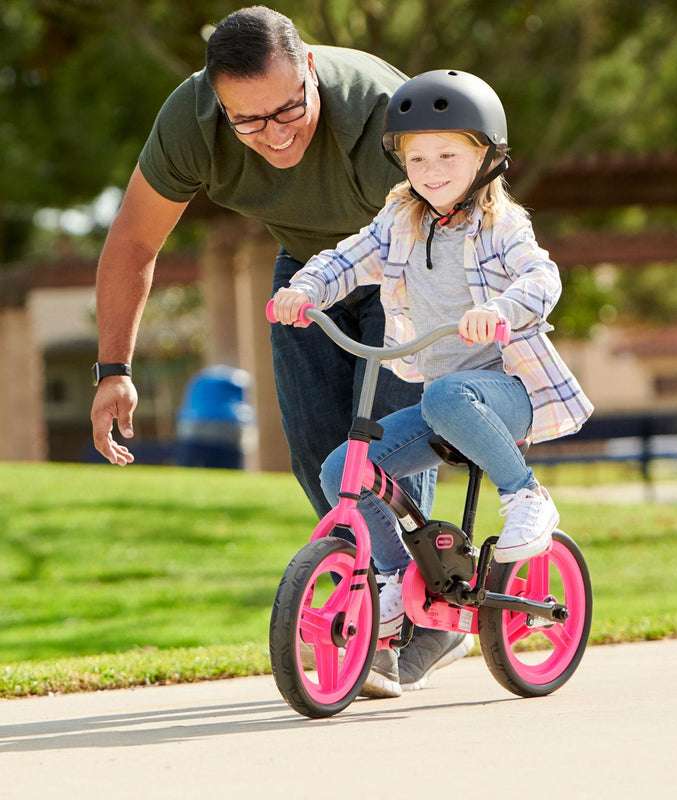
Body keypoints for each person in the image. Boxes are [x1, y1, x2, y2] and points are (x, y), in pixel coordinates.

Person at [88, 6, 450, 697]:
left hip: (415, 267)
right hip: (309, 272)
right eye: (247, 121)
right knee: (322, 463)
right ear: (219, 103)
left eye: (288, 111)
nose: (274, 136)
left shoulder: (382, 114)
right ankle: (383, 597)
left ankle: (413, 618)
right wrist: (114, 371)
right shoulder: (191, 125)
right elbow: (133, 243)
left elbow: (467, 228)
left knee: (385, 449)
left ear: (310, 69)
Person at [272, 69, 594, 695]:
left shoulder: (501, 226)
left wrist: (501, 311)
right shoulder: (400, 220)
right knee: (344, 469)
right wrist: (305, 290)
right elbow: (348, 257)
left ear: (486, 155)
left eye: (448, 154)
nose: (431, 169)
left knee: (448, 394)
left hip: (507, 392)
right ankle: (394, 578)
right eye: (416, 157)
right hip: (445, 401)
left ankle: (526, 495)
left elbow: (541, 277)